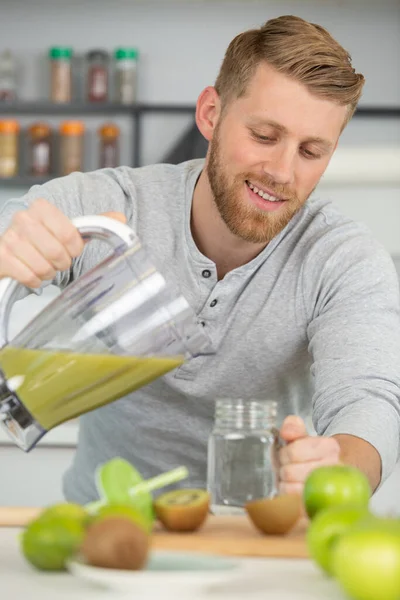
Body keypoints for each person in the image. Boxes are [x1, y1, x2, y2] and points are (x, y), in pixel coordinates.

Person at [1, 15, 399, 505]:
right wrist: (12, 247)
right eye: (264, 135)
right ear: (211, 113)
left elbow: (368, 400)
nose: (282, 172)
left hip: (255, 534)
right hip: (105, 523)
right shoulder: (121, 207)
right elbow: (20, 220)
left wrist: (339, 463)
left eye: (312, 150)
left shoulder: (343, 260)